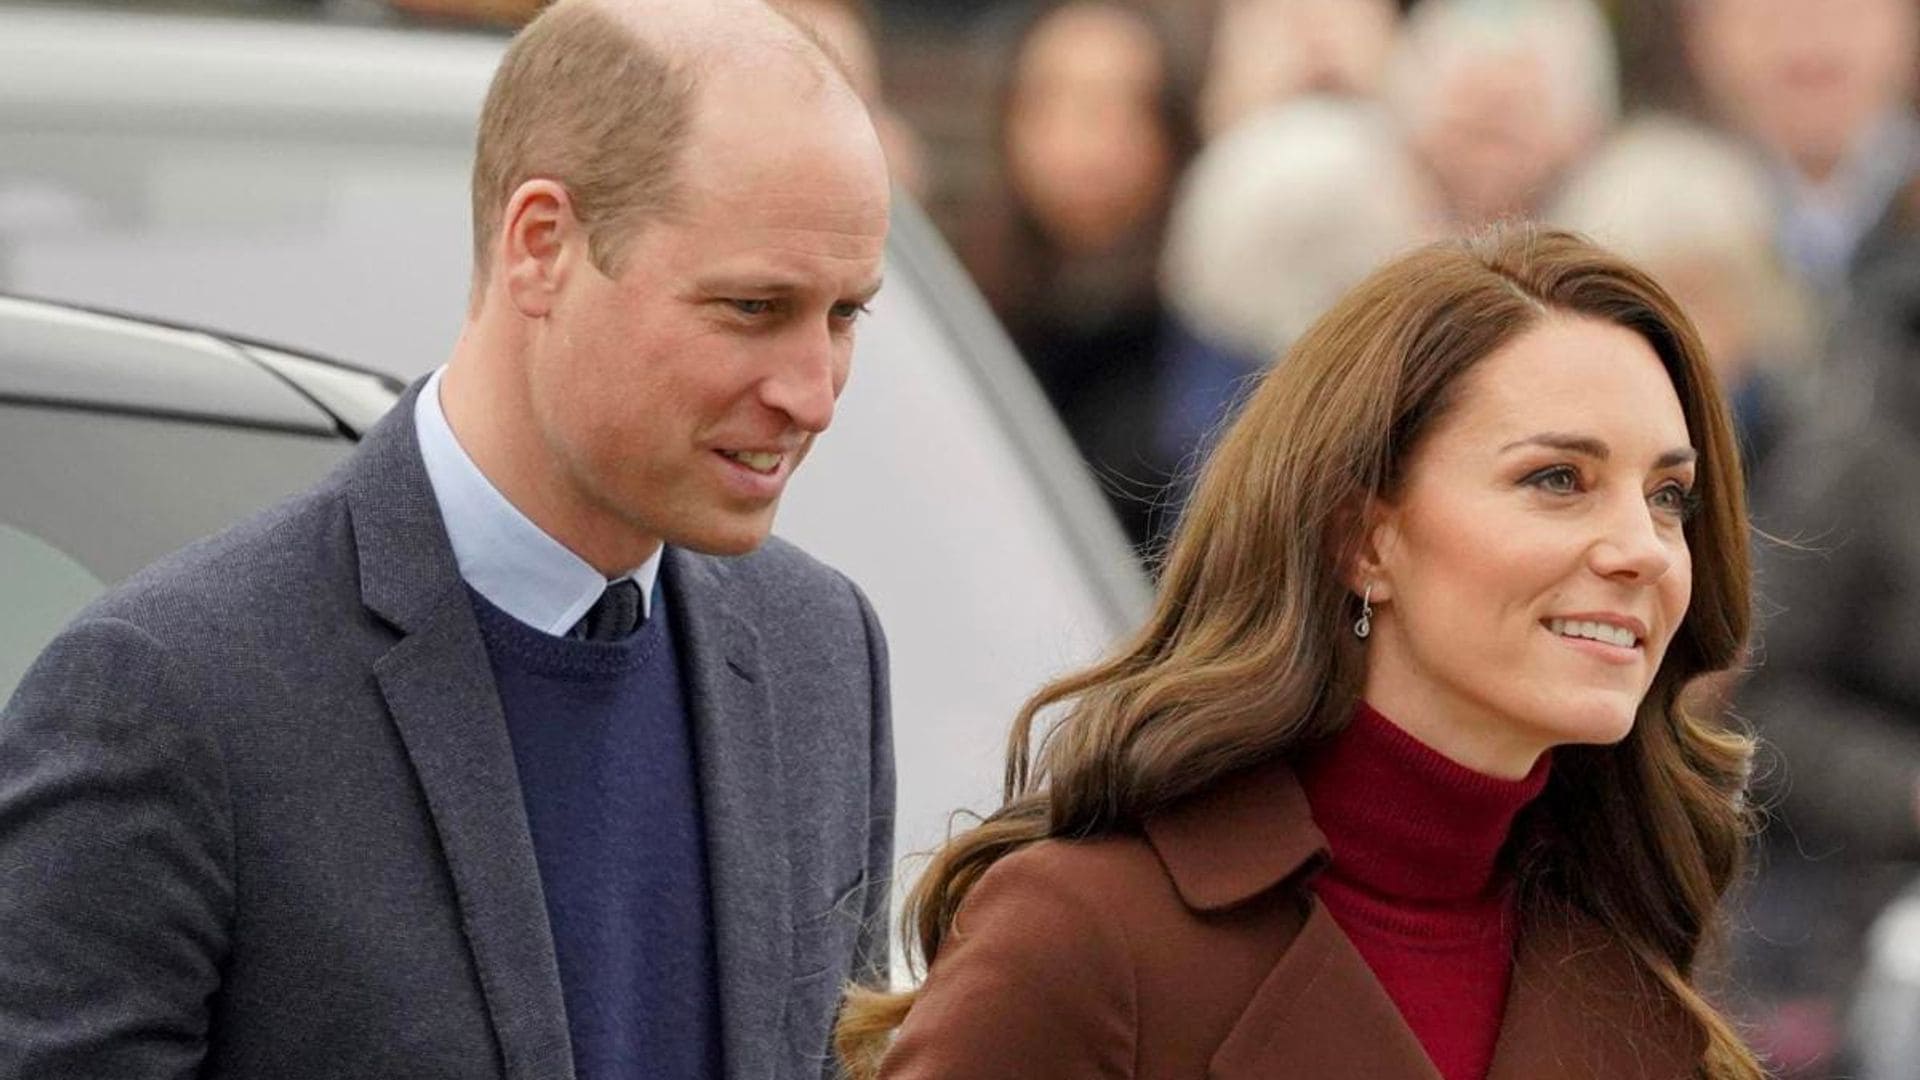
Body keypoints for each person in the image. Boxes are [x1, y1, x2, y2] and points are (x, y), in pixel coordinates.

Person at [0, 1, 895, 1078]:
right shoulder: (176, 695)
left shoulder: (820, 651)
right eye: (754, 307)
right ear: (541, 247)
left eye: (845, 315)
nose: (814, 393)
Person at [837, 226, 1767, 1080]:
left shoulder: (1627, 970)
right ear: (1361, 539)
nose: (1642, 548)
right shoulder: (1088, 940)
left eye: (1669, 496)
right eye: (1558, 479)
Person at [962, 0, 1200, 552]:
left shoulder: (1201, 345)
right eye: (1055, 102)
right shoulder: (972, 318)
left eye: (1120, 107)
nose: (1085, 139)